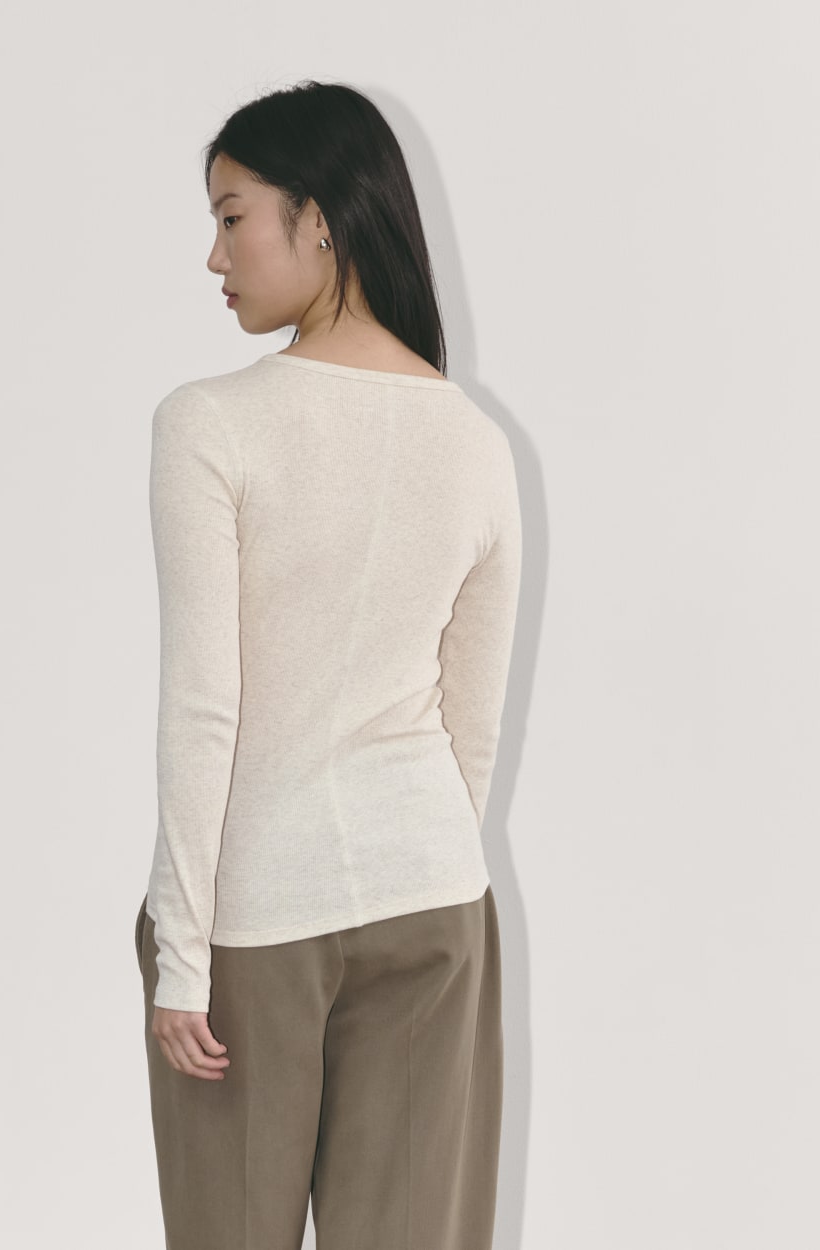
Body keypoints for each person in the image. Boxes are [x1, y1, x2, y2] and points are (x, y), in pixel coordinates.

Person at [133, 79, 522, 1250]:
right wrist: (412, 852)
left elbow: (204, 706)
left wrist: (182, 953)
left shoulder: (210, 422)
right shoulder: (476, 440)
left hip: (255, 918)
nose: (214, 256)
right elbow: (471, 720)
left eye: (230, 216)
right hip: (433, 904)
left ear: (319, 218)